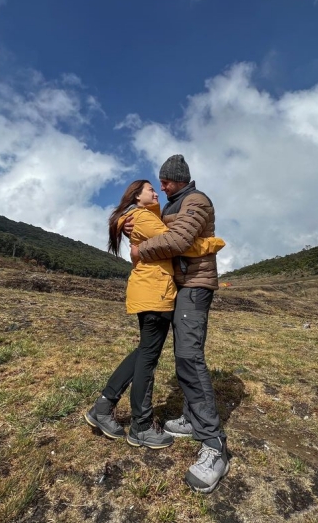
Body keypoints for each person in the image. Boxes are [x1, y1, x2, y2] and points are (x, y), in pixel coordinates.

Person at [84, 180, 224, 450]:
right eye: (150, 189)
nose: (156, 192)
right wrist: (211, 244)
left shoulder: (140, 216)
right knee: (147, 358)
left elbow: (158, 229)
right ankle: (142, 425)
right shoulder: (144, 218)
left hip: (149, 289)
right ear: (137, 196)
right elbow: (178, 243)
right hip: (155, 292)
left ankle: (103, 406)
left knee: (143, 352)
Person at [125, 155, 230, 493]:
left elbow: (177, 241)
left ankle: (214, 444)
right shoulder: (174, 205)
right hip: (182, 286)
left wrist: (140, 250)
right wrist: (129, 224)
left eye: (165, 181)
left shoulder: (195, 201)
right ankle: (190, 416)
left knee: (188, 356)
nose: (161, 187)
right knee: (183, 353)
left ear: (178, 179)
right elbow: (156, 226)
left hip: (196, 286)